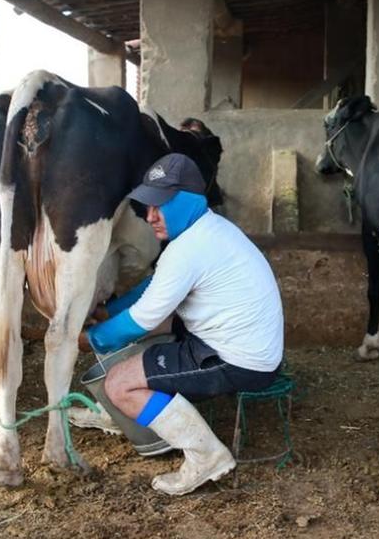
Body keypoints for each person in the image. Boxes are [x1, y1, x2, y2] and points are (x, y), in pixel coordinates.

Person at [84, 153, 285, 496]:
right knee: (154, 337)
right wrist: (109, 310)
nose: (150, 217)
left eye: (160, 205)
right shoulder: (209, 229)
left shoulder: (189, 248)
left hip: (238, 361)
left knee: (119, 383)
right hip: (248, 348)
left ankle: (207, 456)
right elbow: (153, 287)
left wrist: (93, 338)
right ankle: (131, 414)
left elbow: (144, 318)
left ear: (186, 201)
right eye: (147, 205)